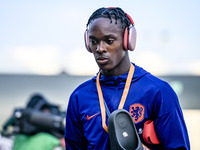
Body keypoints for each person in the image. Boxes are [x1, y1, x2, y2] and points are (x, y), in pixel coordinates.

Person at [64, 7, 190, 150]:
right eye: (94, 41)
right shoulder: (79, 97)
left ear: (127, 40)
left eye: (109, 40)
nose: (99, 48)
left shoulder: (158, 91)